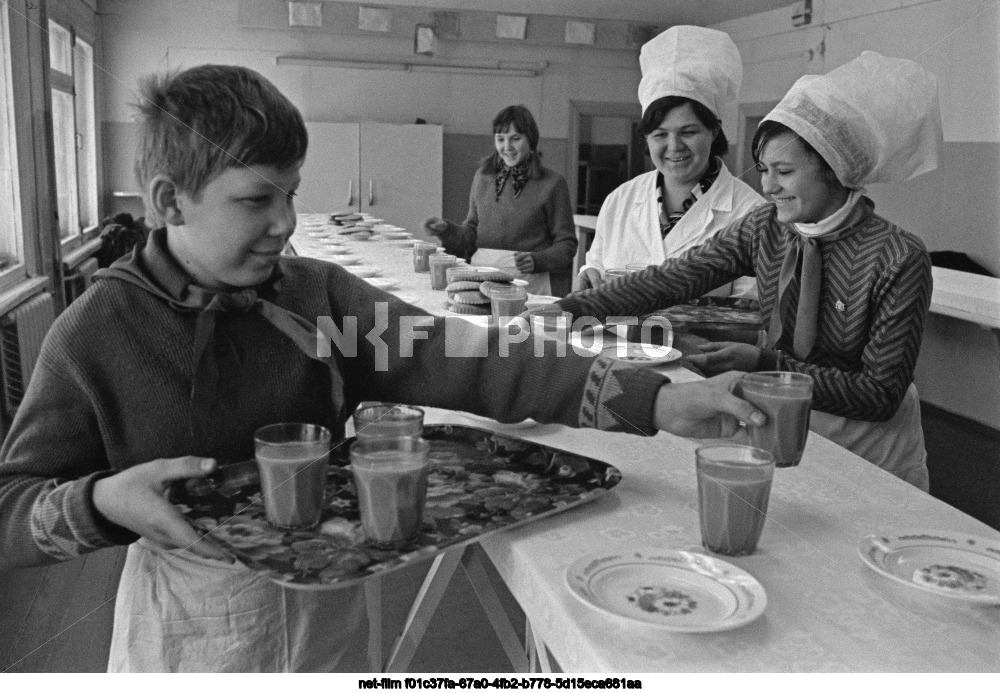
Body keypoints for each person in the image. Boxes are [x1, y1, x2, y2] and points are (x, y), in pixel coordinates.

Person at [0, 65, 763, 672]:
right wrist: (101, 501)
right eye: (257, 199)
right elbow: (12, 506)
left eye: (291, 194)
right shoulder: (98, 334)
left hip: (328, 615)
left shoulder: (317, 303)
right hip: (194, 635)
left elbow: (471, 358)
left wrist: (655, 401)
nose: (286, 223)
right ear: (170, 201)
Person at [542, 52, 942, 491]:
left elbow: (877, 395)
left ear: (835, 169)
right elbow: (671, 278)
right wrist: (564, 311)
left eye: (784, 172)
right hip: (779, 420)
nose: (768, 187)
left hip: (871, 448)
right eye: (765, 170)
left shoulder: (897, 257)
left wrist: (765, 363)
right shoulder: (765, 229)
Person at [577, 26, 763, 295]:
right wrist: (588, 277)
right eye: (660, 134)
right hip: (617, 337)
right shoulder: (620, 201)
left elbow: (752, 315)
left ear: (713, 131)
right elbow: (595, 268)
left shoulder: (751, 214)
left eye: (688, 132)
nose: (674, 147)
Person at [424, 105, 577, 296]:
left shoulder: (552, 184)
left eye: (516, 138)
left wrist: (538, 260)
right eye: (500, 139)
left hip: (528, 283)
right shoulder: (483, 177)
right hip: (480, 279)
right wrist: (446, 230)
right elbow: (470, 234)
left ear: (531, 140)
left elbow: (567, 244)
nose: (507, 147)